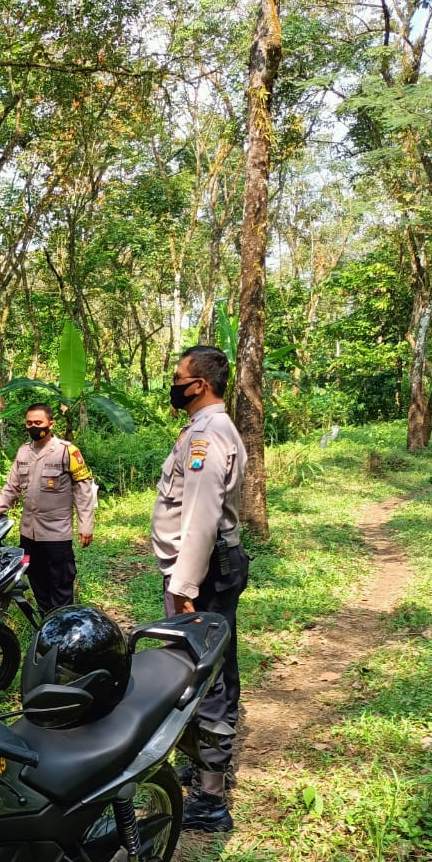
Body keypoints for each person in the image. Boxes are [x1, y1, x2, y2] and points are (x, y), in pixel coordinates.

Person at [151, 345, 249, 834]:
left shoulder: (207, 438)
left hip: (203, 572)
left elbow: (201, 521)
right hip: (206, 569)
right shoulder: (204, 430)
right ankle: (206, 766)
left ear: (200, 384)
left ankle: (210, 801)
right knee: (206, 670)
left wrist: (184, 585)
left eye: (178, 377)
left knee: (205, 677)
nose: (174, 384)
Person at [0, 403, 95, 615]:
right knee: (36, 579)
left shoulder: (66, 451)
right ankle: (45, 620)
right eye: (29, 423)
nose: (33, 426)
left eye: (38, 422)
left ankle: (62, 626)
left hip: (56, 534)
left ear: (51, 423)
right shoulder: (24, 452)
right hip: (29, 532)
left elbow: (84, 490)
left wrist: (85, 525)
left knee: (60, 584)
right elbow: (11, 487)